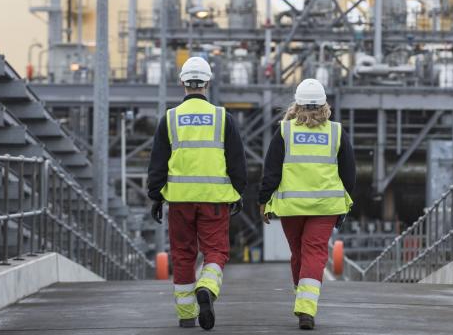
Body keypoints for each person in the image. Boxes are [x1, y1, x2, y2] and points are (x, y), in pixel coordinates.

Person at [147, 56, 247, 330]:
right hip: (214, 200)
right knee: (216, 251)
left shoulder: (169, 118)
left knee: (182, 254)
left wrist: (155, 195)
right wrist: (238, 192)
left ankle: (186, 314)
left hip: (179, 200)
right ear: (208, 82)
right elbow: (236, 160)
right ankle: (207, 286)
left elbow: (158, 161)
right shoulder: (222, 117)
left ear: (182, 82)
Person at [258, 78, 356, 330]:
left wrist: (263, 201)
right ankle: (306, 306)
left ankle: (303, 302)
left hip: (291, 208)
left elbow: (271, 171)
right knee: (314, 253)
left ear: (297, 105)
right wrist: (345, 204)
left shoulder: (284, 131)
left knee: (299, 254)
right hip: (325, 207)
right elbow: (349, 173)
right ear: (324, 105)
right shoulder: (336, 132)